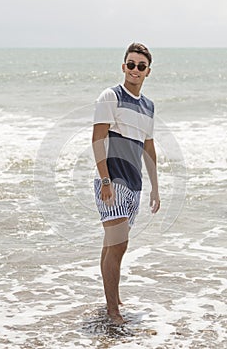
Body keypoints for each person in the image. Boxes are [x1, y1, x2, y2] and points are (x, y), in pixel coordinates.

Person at [92, 42, 160, 325]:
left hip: (134, 184)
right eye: (130, 64)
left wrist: (155, 186)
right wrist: (105, 180)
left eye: (140, 66)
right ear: (123, 67)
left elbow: (149, 147)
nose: (134, 69)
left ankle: (112, 298)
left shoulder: (148, 106)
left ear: (148, 72)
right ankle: (113, 311)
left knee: (112, 245)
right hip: (113, 181)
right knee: (119, 244)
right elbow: (97, 140)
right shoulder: (111, 96)